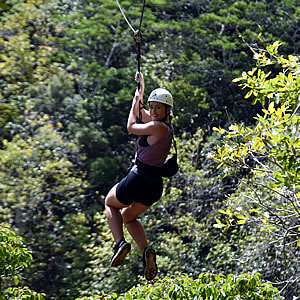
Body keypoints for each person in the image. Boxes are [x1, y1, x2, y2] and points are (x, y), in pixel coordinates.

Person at [104, 72, 174, 281]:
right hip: (154, 186)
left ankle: (120, 243)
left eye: (157, 108)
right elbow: (142, 113)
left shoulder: (156, 126)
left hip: (139, 177)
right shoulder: (166, 127)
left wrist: (136, 102)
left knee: (110, 203)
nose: (152, 111)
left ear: (167, 110)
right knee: (128, 216)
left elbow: (131, 126)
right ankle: (146, 253)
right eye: (152, 107)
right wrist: (140, 90)